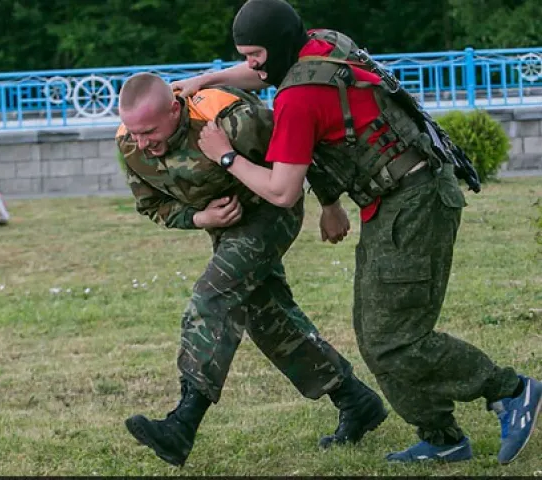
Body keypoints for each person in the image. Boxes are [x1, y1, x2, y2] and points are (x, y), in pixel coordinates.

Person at [175, 0, 541, 464]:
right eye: (245, 56)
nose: (250, 66)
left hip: (415, 202)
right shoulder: (324, 44)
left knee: (394, 337)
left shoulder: (296, 101)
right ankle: (442, 436)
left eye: (254, 55)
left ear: (278, 47)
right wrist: (208, 80)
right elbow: (269, 72)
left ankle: (510, 391)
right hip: (399, 196)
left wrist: (226, 154)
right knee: (376, 334)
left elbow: (283, 191)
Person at [115, 72, 387, 467]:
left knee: (213, 294)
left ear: (175, 109)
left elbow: (300, 146)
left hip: (270, 210)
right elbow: (152, 205)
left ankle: (182, 424)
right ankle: (354, 399)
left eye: (150, 132)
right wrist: (199, 218)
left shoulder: (230, 119)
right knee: (267, 316)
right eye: (136, 133)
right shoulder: (129, 143)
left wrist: (330, 204)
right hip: (225, 227)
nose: (142, 143)